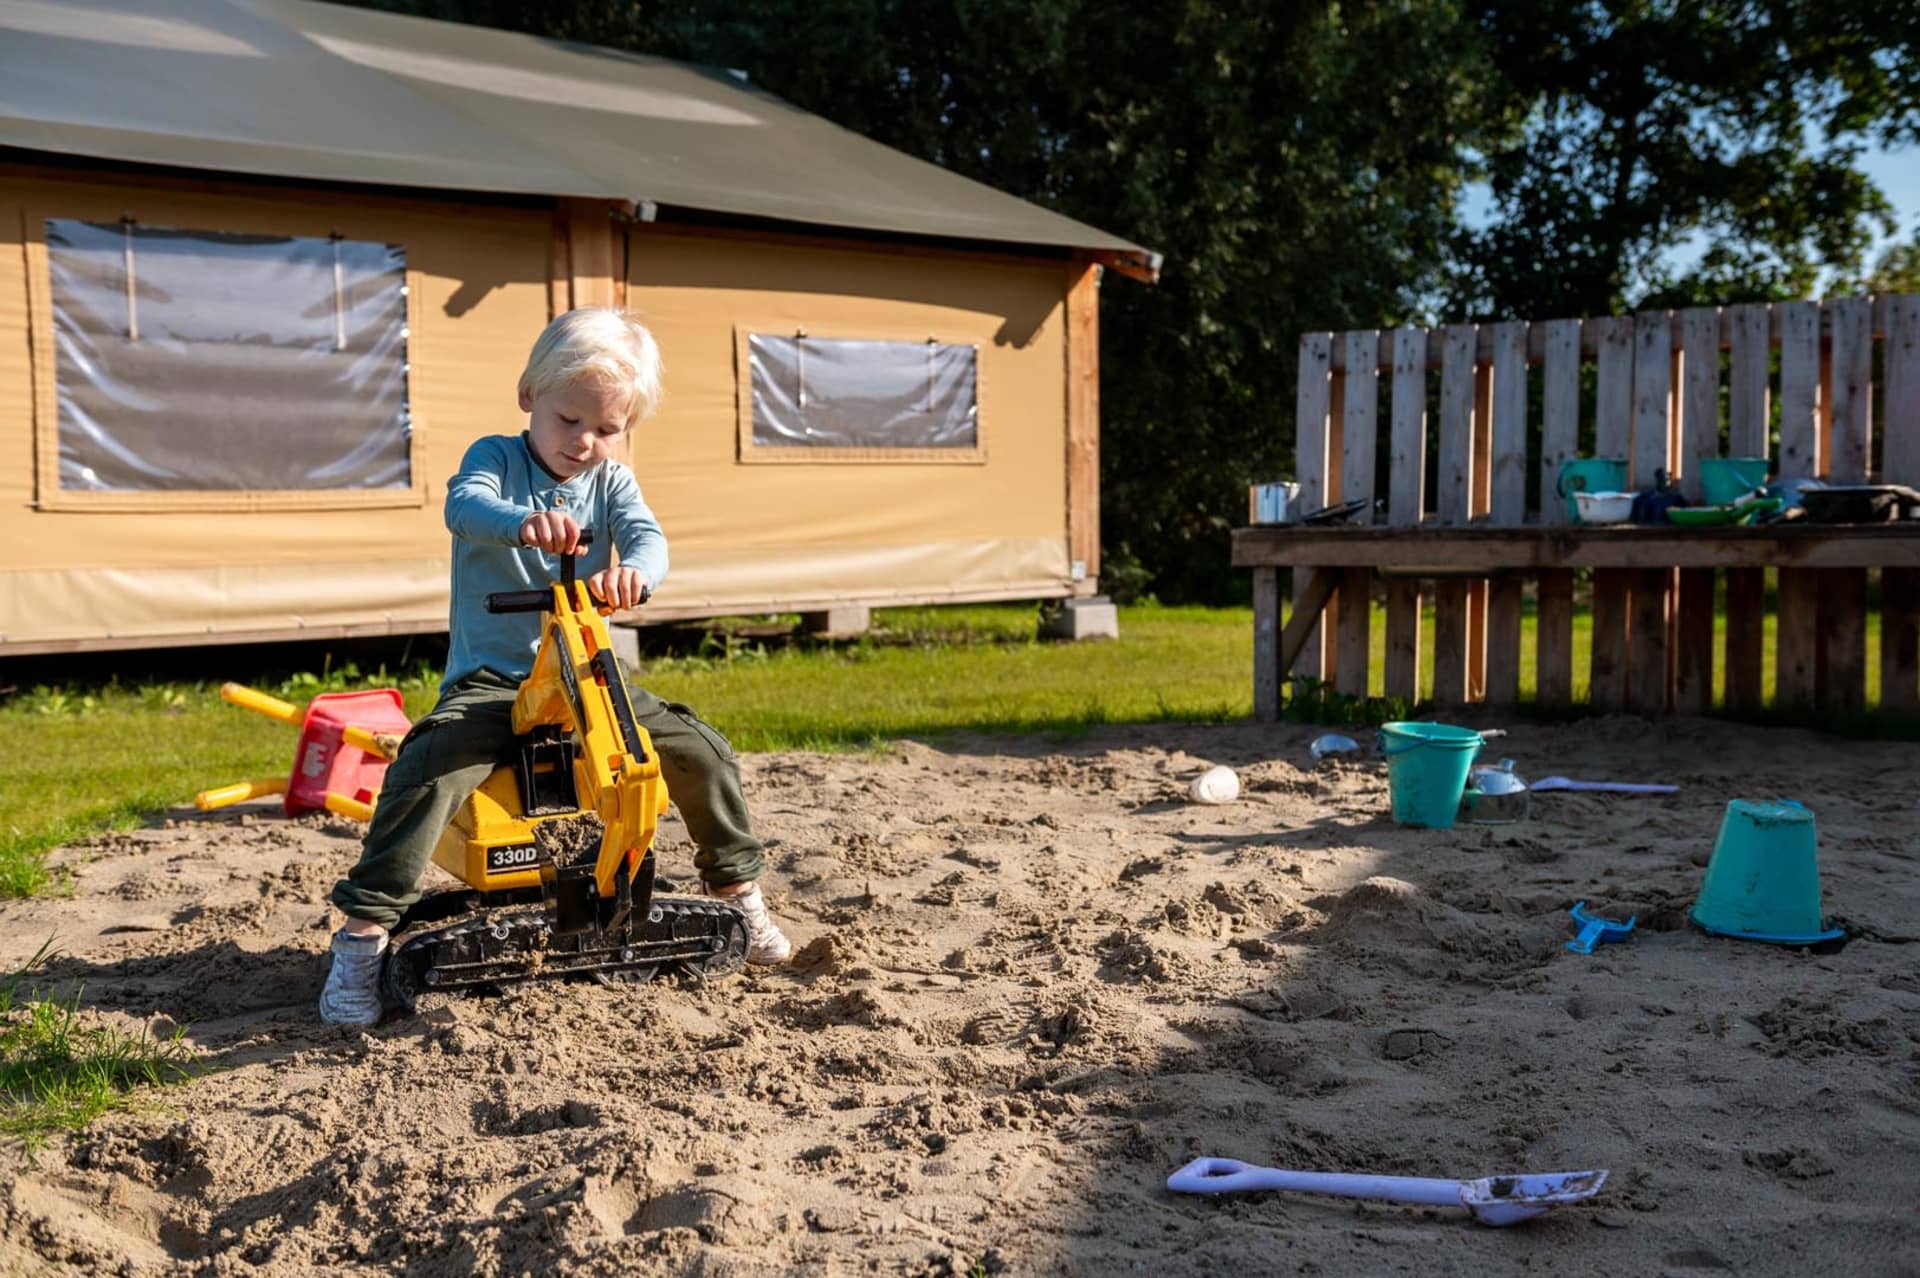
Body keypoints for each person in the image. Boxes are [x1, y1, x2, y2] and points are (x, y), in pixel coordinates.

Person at [319, 308, 792, 1026]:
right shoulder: (495, 460)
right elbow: (464, 506)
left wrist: (636, 572)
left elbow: (649, 540)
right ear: (528, 396)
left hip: (587, 673)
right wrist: (521, 523)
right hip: (495, 680)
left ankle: (738, 894)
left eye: (607, 429)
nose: (585, 442)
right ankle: (362, 937)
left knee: (700, 752)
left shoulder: (613, 483)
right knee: (431, 769)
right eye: (570, 419)